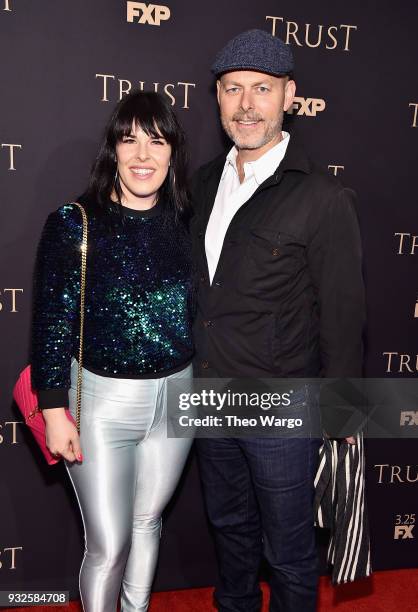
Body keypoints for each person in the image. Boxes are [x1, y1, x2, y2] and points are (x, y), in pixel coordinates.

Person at [191, 29, 365, 611]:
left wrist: (342, 408)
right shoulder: (202, 183)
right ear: (217, 98)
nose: (246, 105)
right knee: (230, 530)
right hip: (210, 396)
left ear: (289, 95)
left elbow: (343, 310)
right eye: (232, 89)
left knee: (290, 552)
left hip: (282, 405)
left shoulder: (322, 197)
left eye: (261, 89)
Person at [30, 90, 195, 612]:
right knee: (108, 545)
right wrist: (54, 411)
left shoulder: (186, 223)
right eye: (130, 141)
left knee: (149, 522)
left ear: (172, 153)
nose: (143, 155)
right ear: (113, 151)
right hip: (101, 405)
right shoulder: (73, 223)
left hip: (178, 395)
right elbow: (51, 322)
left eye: (157, 141)